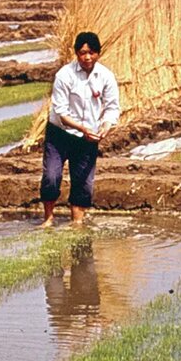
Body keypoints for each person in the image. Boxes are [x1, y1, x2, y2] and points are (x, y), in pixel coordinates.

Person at [40, 31, 120, 228]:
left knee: (83, 181)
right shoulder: (64, 75)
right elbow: (60, 112)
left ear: (98, 53)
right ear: (76, 53)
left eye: (92, 52)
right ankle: (48, 219)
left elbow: (112, 107)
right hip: (60, 133)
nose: (87, 57)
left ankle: (77, 223)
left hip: (88, 136)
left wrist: (106, 127)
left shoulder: (106, 76)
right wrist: (81, 128)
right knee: (51, 176)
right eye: (83, 52)